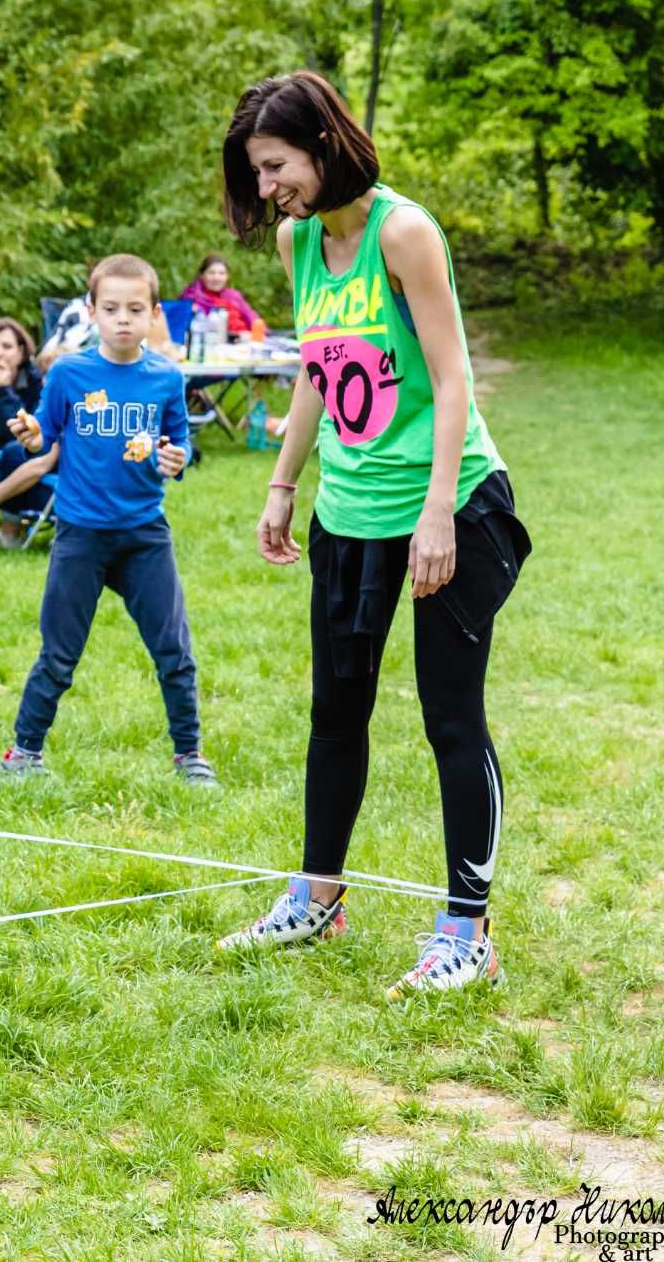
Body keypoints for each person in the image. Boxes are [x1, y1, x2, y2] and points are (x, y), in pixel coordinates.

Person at [213, 71, 527, 1000]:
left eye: (276, 166)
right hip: (347, 511)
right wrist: (281, 482)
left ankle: (467, 929)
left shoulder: (404, 230)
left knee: (449, 717)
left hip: (448, 504)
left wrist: (437, 511)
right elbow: (320, 365)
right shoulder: (297, 239)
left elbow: (453, 375)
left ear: (320, 142)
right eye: (259, 173)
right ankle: (318, 898)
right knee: (335, 712)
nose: (269, 186)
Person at [0, 255, 214, 787]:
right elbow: (44, 435)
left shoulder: (166, 377)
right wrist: (30, 435)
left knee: (174, 650)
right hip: (81, 535)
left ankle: (189, 754)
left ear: (154, 314)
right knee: (60, 652)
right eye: (112, 308)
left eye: (135, 309)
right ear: (92, 311)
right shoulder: (70, 373)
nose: (123, 319)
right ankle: (24, 752)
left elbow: (180, 442)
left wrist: (177, 458)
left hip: (145, 534)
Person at [0, 316, 58, 548]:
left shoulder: (36, 384)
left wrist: (5, 390)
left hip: (19, 457)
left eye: (6, 347)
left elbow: (24, 436)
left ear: (21, 351)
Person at [179, 253, 268, 340]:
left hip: (245, 342)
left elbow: (252, 318)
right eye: (211, 273)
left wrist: (257, 333)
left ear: (227, 276)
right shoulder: (191, 297)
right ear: (202, 275)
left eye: (221, 273)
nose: (216, 278)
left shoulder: (233, 296)